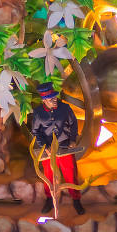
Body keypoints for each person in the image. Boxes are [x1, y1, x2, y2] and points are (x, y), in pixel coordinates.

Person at [28, 82, 85, 216]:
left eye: (54, 97)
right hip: (48, 150)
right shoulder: (38, 113)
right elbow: (36, 131)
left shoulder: (65, 108)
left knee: (71, 174)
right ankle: (49, 199)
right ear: (44, 100)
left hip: (64, 147)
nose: (54, 100)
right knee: (48, 176)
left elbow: (73, 124)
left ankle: (76, 200)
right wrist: (44, 146)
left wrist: (72, 140)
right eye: (50, 99)